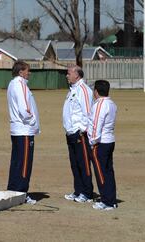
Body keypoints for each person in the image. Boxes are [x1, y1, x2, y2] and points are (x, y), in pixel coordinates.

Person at [6, 61, 40, 205]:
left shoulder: (12, 84)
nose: (29, 73)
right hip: (24, 130)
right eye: (27, 70)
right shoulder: (20, 85)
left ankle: (12, 190)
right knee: (24, 163)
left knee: (17, 162)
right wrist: (32, 121)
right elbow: (24, 108)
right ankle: (21, 192)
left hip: (17, 129)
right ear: (21, 72)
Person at [63, 65, 94, 203]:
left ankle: (87, 193)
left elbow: (88, 112)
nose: (67, 75)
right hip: (70, 133)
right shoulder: (72, 90)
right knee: (74, 164)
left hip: (79, 133)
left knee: (83, 163)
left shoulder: (84, 90)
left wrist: (82, 130)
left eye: (69, 73)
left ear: (77, 75)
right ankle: (78, 190)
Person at [88, 80, 118, 210]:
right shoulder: (112, 104)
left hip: (101, 142)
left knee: (101, 173)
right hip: (110, 140)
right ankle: (111, 199)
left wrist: (92, 142)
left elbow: (96, 125)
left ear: (96, 91)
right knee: (108, 171)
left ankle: (107, 201)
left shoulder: (100, 104)